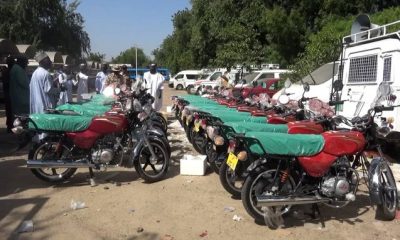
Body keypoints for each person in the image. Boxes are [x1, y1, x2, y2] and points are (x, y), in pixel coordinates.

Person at [1, 56, 14, 132]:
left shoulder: (7, 70)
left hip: (8, 93)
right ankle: (9, 126)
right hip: (8, 93)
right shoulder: (7, 71)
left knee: (9, 110)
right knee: (10, 110)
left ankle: (9, 125)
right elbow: (6, 82)